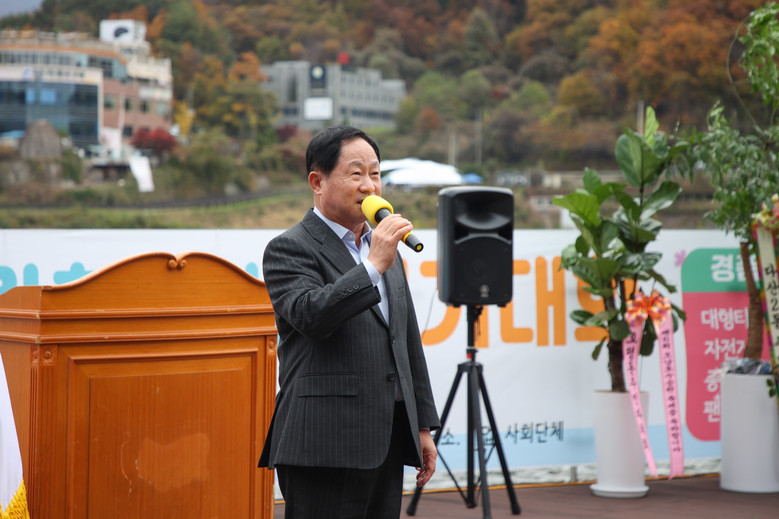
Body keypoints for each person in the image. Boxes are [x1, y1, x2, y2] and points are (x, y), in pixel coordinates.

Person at [258, 125, 440, 518]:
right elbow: (311, 315)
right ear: (317, 182)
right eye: (355, 174)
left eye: (375, 173)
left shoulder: (385, 252)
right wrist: (372, 266)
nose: (369, 186)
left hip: (386, 440)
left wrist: (422, 426)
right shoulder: (290, 247)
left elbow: (406, 341)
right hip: (323, 444)